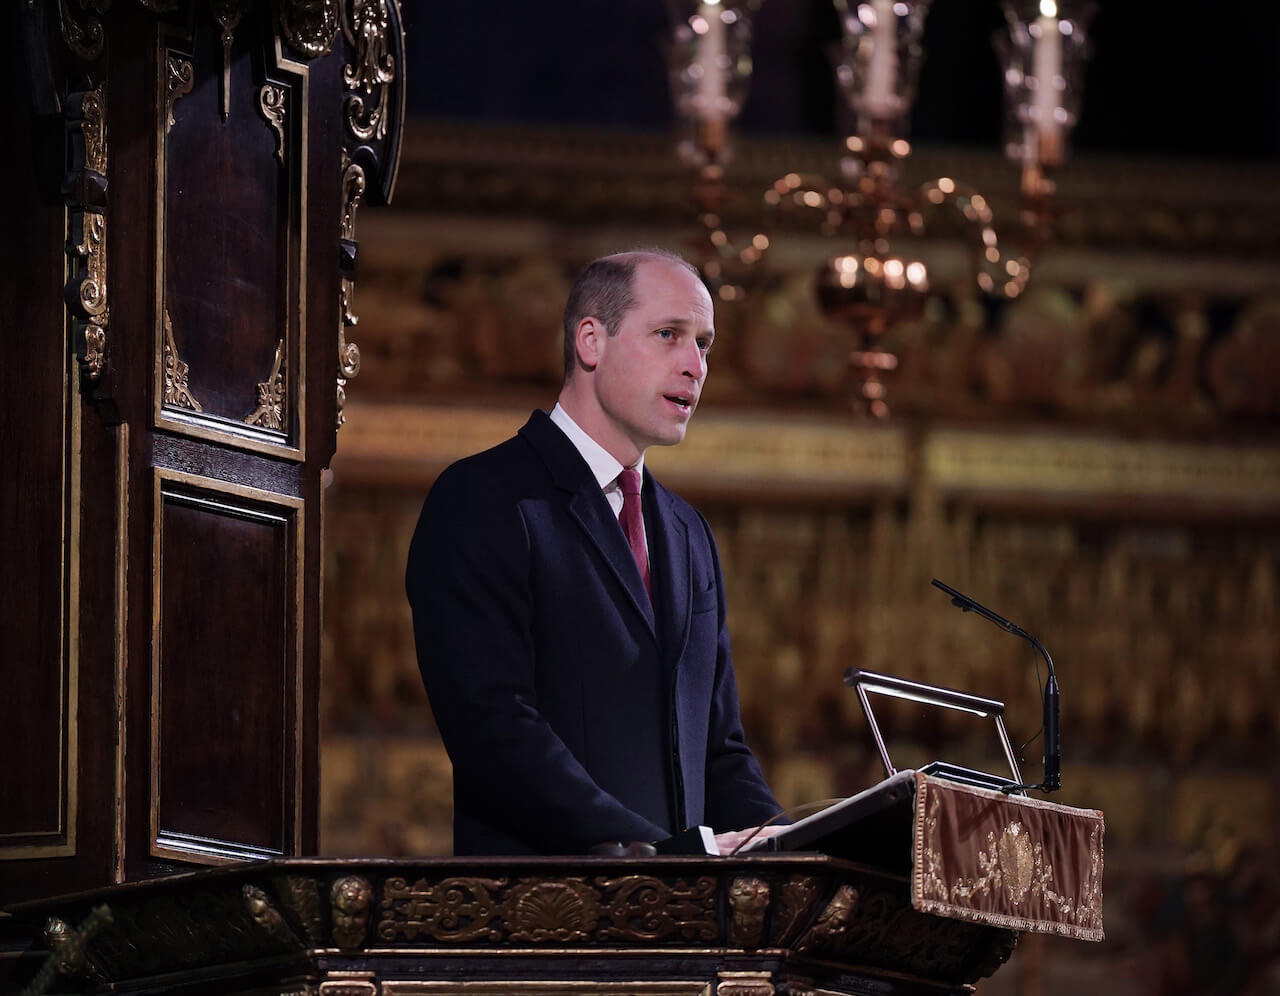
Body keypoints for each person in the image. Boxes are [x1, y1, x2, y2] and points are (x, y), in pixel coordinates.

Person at [405, 249, 782, 856]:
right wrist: (662, 856)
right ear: (590, 341)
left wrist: (789, 847)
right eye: (669, 335)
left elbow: (719, 747)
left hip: (682, 930)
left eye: (704, 344)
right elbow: (495, 731)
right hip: (547, 921)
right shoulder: (484, 499)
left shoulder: (689, 534)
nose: (695, 366)